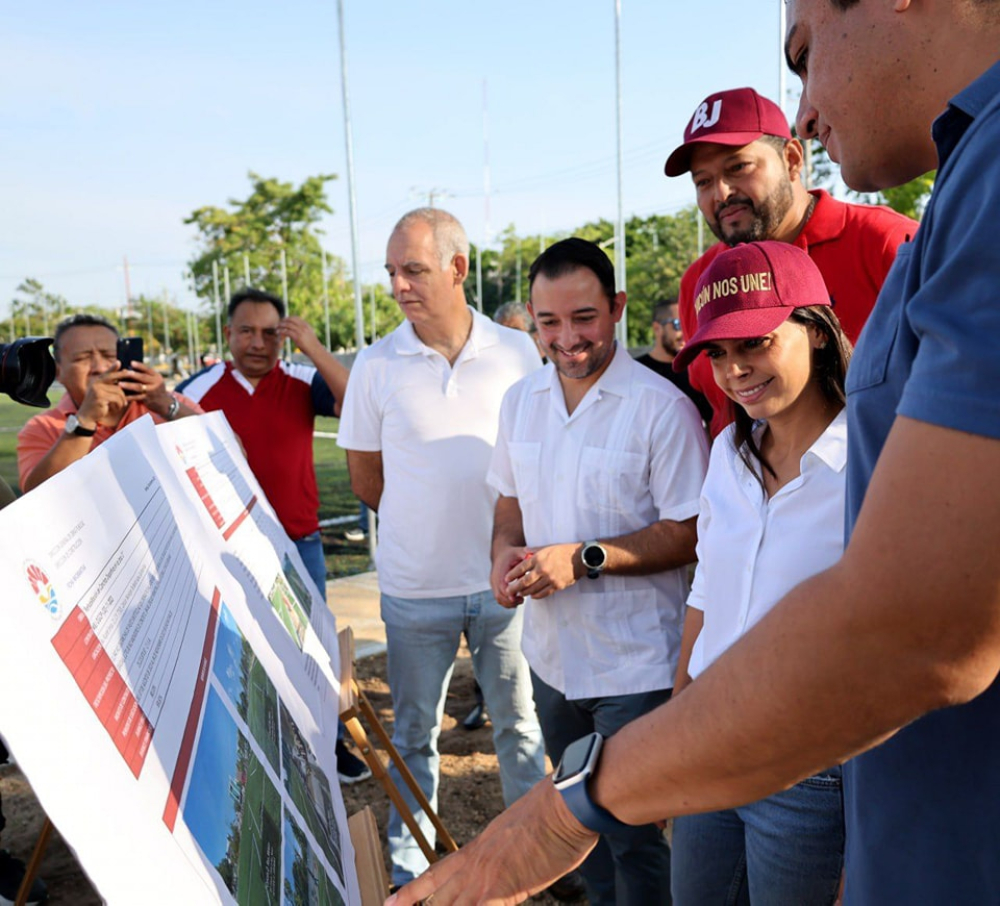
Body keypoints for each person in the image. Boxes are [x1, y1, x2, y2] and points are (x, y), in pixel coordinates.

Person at [386, 2, 1000, 904]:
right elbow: (715, 573)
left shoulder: (913, 229)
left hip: (845, 738)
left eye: (805, 56)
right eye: (719, 348)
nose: (811, 106)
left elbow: (920, 622)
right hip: (815, 745)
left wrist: (572, 810)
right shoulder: (958, 183)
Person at [488, 238, 709, 904]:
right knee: (579, 822)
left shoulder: (660, 406)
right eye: (549, 322)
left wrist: (582, 559)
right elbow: (509, 505)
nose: (567, 337)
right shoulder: (520, 401)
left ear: (614, 308)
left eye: (583, 318)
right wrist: (503, 552)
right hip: (552, 660)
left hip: (635, 667)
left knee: (634, 831)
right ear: (530, 318)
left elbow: (692, 532)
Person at [336, 208, 548, 890]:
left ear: (458, 269)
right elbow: (368, 480)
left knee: (521, 728)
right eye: (392, 272)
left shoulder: (518, 353)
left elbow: (535, 458)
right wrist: (422, 528)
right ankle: (408, 863)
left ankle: (534, 858)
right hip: (414, 588)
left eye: (414, 270)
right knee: (413, 737)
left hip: (507, 584)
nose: (399, 285)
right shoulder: (374, 364)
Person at [669, 241, 850, 904]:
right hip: (706, 746)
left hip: (809, 767)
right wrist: (674, 726)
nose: (735, 369)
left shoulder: (876, 462)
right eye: (716, 352)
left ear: (819, 334)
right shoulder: (726, 453)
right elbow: (706, 594)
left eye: (754, 342)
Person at [176, 288, 371, 785]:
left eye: (271, 332)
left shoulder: (303, 379)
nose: (259, 343)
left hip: (299, 543)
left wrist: (312, 347)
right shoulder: (198, 389)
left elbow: (359, 402)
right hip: (226, 547)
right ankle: (259, 758)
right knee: (242, 655)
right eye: (247, 331)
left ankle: (327, 746)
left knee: (314, 651)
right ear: (228, 334)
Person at [666, 85, 917, 437]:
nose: (720, 193)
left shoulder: (887, 243)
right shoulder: (698, 281)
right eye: (703, 181)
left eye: (738, 167)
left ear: (793, 159)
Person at [17, 314, 202, 492]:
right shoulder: (41, 428)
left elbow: (221, 447)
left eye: (109, 355)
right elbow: (37, 497)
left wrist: (168, 406)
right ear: (58, 372)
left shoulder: (168, 403)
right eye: (82, 358)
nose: (100, 367)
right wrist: (84, 421)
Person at [634, 299, 712, 424]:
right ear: (657, 328)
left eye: (688, 325)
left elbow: (710, 424)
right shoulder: (635, 371)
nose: (684, 333)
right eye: (678, 325)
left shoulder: (695, 374)